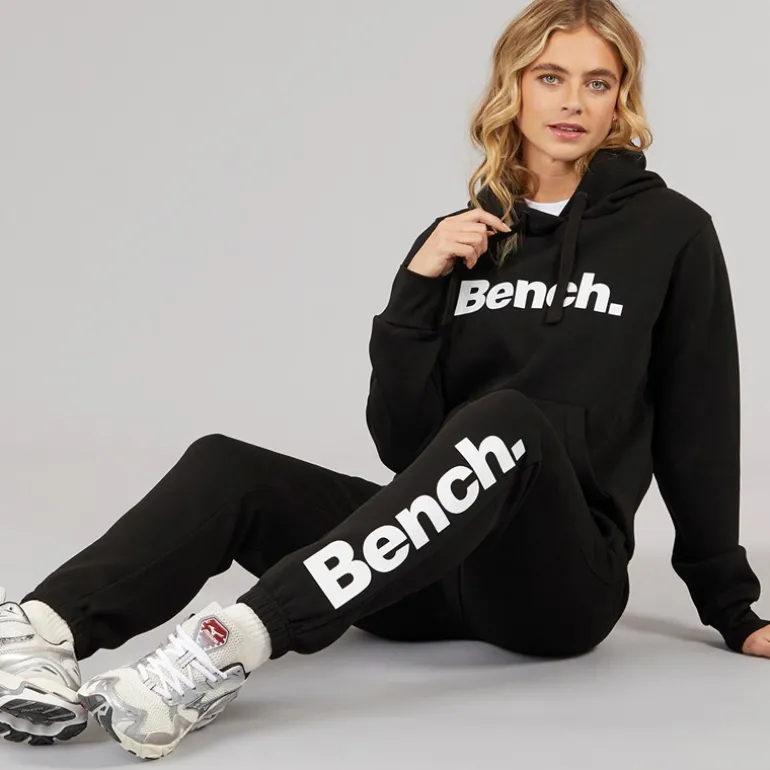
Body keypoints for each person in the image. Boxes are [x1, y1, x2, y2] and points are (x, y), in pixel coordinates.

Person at [2, 0, 769, 760]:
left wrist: (731, 606)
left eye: (597, 83)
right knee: (225, 465)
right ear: (513, 87)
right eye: (550, 77)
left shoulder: (672, 233)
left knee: (506, 417)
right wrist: (416, 287)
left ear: (620, 99)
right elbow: (405, 444)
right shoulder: (463, 238)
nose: (572, 101)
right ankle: (39, 634)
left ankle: (225, 645)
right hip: (421, 574)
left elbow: (700, 422)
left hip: (557, 589)